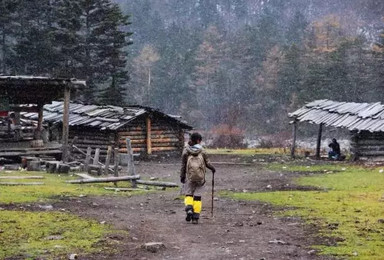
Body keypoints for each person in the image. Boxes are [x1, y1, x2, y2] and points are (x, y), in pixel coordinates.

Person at [180, 132, 215, 224]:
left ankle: (189, 209)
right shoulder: (202, 151)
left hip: (189, 177)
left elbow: (183, 165)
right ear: (199, 140)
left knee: (188, 194)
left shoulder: (186, 150)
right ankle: (195, 217)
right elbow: (207, 163)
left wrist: (182, 176)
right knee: (197, 197)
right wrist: (213, 169)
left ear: (191, 139)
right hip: (200, 178)